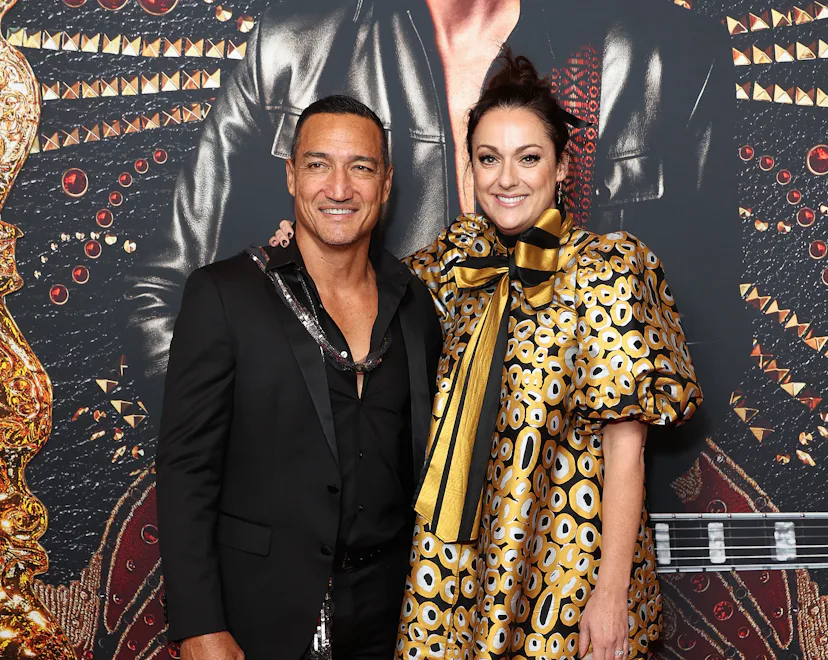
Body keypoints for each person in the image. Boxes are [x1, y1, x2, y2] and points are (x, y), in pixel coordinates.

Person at [125, 2, 747, 480]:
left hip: (565, 520)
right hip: (366, 527)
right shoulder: (291, 50)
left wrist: (569, 492)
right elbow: (160, 301)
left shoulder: (667, 53)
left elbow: (707, 334)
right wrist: (289, 457)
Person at [273, 52, 703, 659]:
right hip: (453, 566)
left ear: (562, 167)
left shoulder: (609, 270)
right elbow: (359, 283)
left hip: (562, 564)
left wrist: (611, 597)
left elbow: (626, 452)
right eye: (488, 159)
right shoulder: (454, 261)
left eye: (529, 158)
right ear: (469, 168)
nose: (507, 179)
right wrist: (303, 241)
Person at [155, 95, 442, 660]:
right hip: (262, 618)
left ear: (385, 184)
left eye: (360, 167)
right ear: (291, 175)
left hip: (396, 620)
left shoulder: (415, 304)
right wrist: (198, 626)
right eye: (318, 164)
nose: (339, 188)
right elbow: (186, 470)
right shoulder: (224, 294)